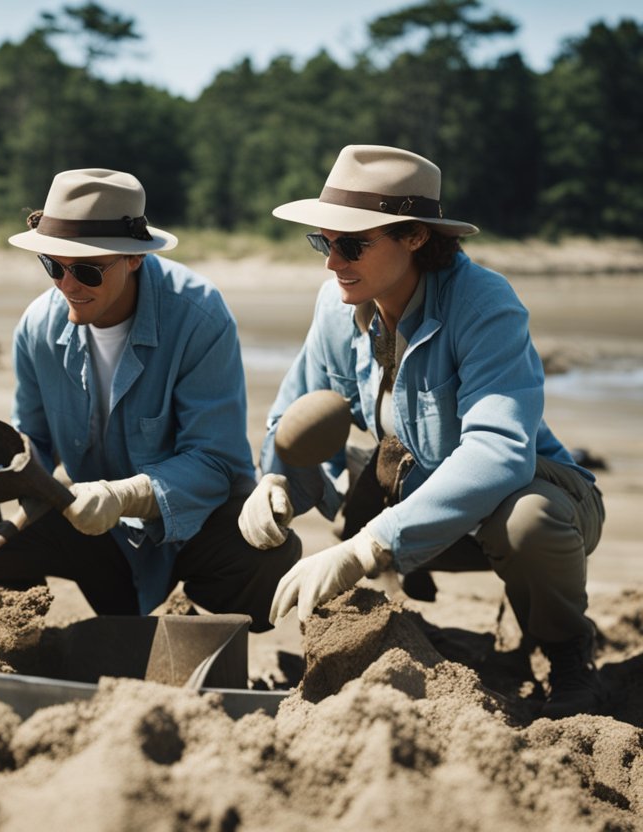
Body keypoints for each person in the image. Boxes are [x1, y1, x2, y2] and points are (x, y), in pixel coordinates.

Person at [245, 144, 605, 718]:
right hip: (410, 488)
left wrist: (371, 544)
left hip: (531, 497)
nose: (332, 261)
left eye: (352, 243)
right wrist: (273, 480)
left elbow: (499, 452)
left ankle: (567, 651)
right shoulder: (340, 303)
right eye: (323, 241)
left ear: (415, 237)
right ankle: (400, 632)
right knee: (333, 482)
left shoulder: (484, 304)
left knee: (529, 521)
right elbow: (296, 412)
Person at [0, 169, 300, 628]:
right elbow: (35, 446)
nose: (66, 284)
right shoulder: (37, 327)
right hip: (92, 536)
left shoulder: (199, 318)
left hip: (189, 531)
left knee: (271, 557)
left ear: (134, 259)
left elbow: (217, 462)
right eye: (52, 265)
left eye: (86, 270)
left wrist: (126, 495)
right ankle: (20, 628)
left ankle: (196, 626)